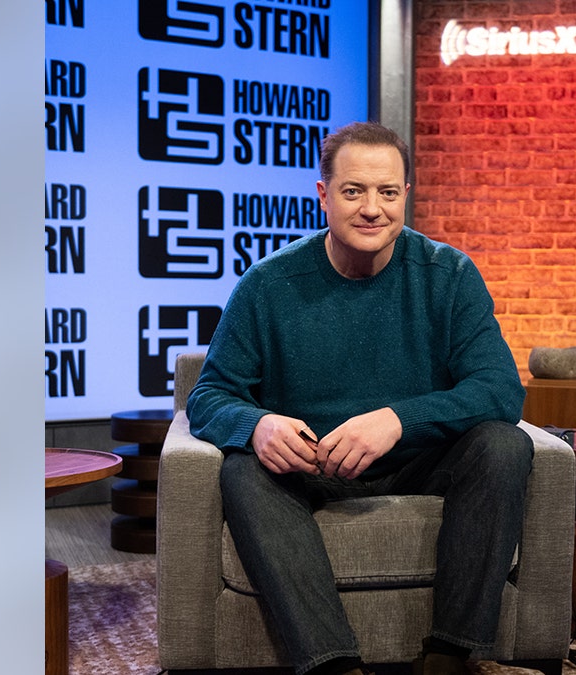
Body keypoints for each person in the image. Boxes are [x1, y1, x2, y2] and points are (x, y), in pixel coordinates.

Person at [186, 121, 533, 675]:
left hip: (418, 461)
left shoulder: (449, 276)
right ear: (323, 194)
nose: (372, 208)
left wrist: (399, 420)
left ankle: (449, 656)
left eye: (387, 192)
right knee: (244, 471)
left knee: (503, 445)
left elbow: (499, 390)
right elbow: (208, 395)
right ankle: (334, 664)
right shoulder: (268, 284)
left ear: (405, 196)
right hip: (312, 467)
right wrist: (257, 424)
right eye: (354, 191)